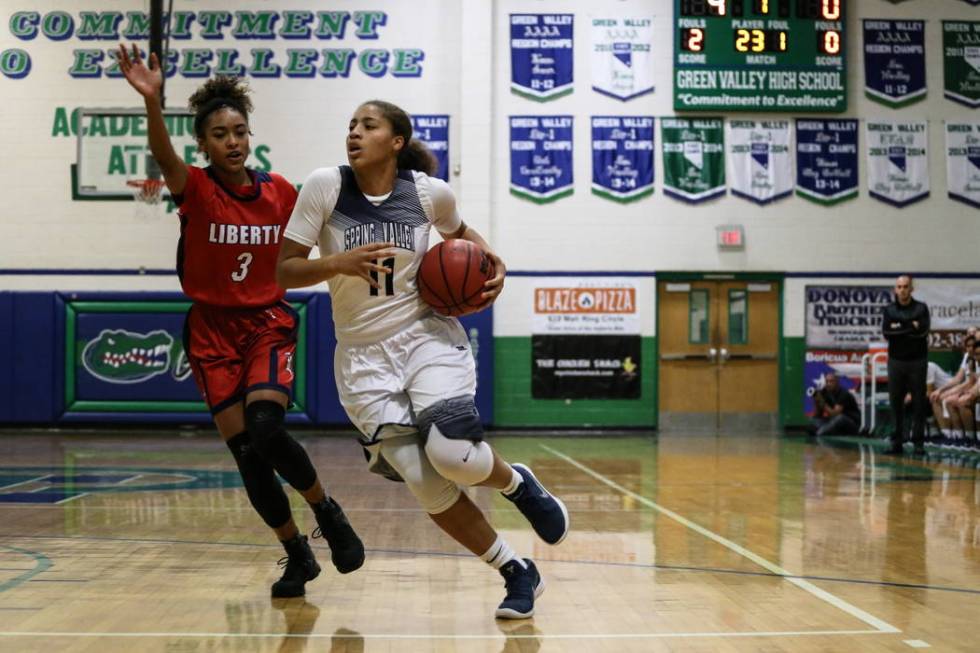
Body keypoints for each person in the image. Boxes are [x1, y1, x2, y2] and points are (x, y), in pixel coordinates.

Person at [276, 99, 569, 620]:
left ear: (395, 141)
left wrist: (492, 263)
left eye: (368, 126)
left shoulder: (429, 193)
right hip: (363, 358)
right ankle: (516, 570)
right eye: (350, 125)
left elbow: (463, 238)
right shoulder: (325, 185)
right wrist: (338, 262)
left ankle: (517, 484)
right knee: (422, 479)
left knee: (453, 455)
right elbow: (285, 271)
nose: (354, 133)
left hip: (425, 337)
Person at [117, 44, 364, 598]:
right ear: (203, 144)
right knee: (249, 457)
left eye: (240, 131)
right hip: (211, 330)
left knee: (267, 428)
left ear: (250, 135)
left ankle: (327, 510)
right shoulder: (196, 190)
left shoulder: (280, 192)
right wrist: (152, 103)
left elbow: (321, 236)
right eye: (221, 134)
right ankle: (296, 554)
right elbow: (162, 158)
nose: (233, 141)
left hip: (267, 322)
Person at [882, 275, 930, 455]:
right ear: (895, 289)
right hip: (896, 362)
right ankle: (896, 443)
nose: (902, 290)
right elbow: (887, 332)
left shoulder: (921, 308)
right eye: (899, 287)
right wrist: (911, 325)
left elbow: (923, 332)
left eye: (905, 286)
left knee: (918, 403)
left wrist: (899, 327)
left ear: (911, 289)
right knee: (895, 403)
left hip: (917, 361)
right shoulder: (889, 310)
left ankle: (918, 444)